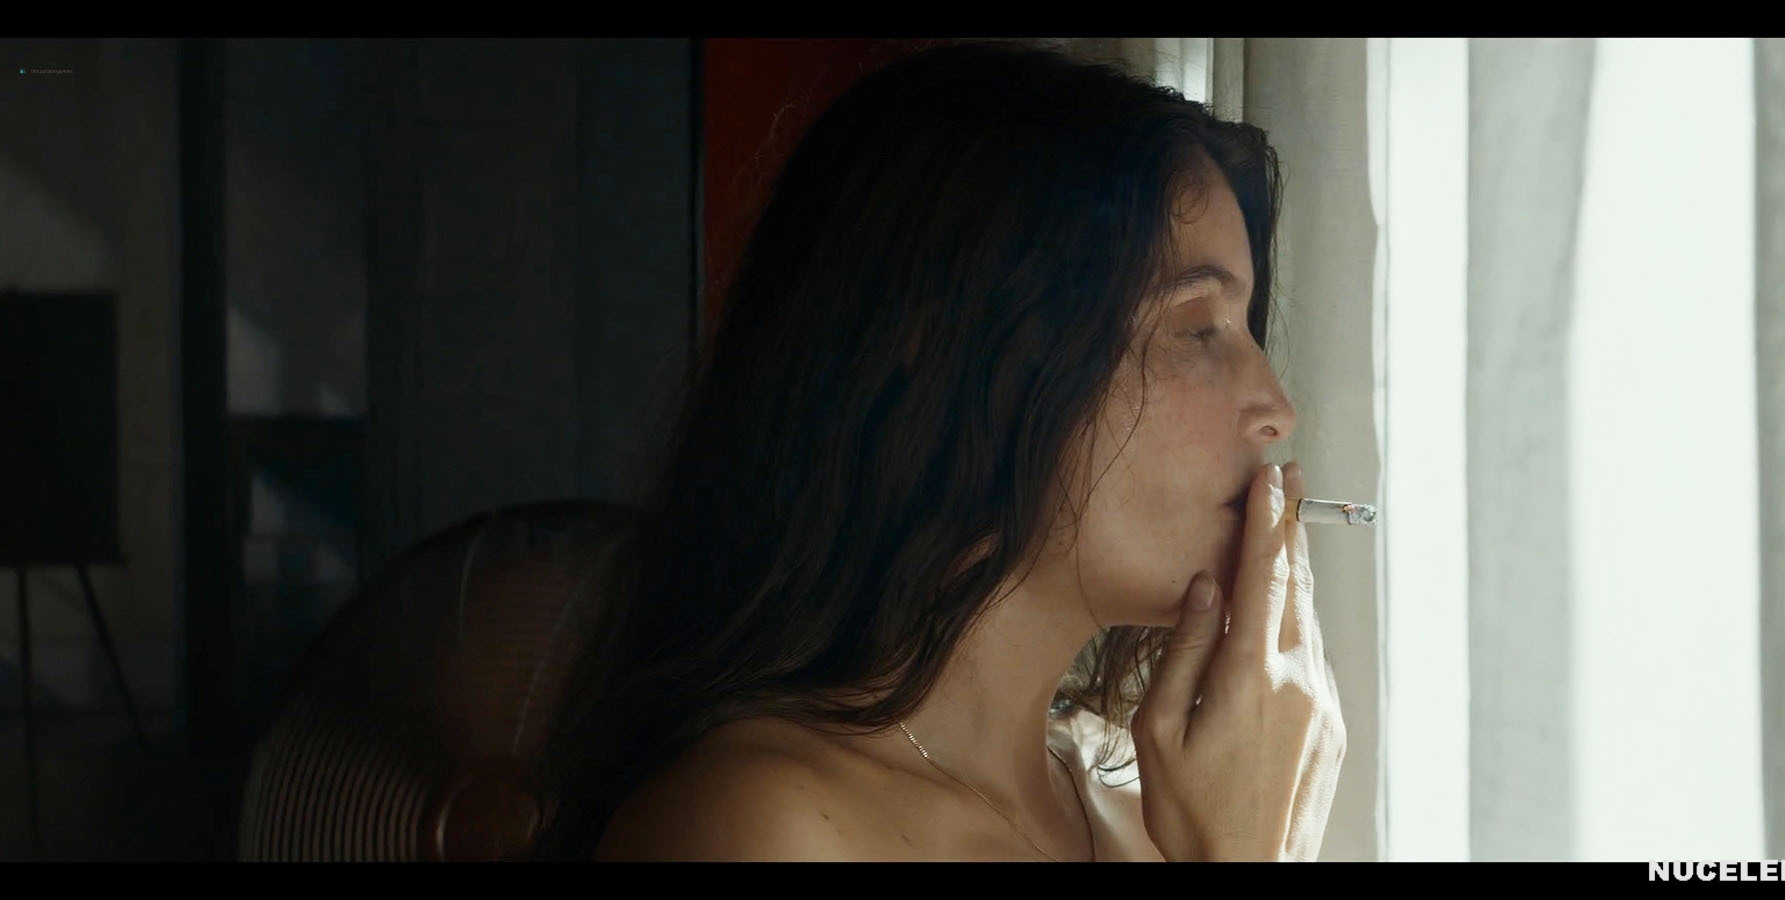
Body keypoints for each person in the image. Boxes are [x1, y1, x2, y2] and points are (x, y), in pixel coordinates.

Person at [535, 39, 1347, 862]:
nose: (1276, 409)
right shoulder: (759, 826)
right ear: (960, 353)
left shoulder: (1151, 805)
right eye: (1196, 328)